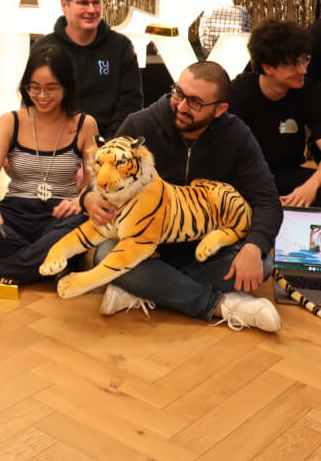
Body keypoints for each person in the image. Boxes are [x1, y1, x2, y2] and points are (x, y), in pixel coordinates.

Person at [84, 60, 283, 332]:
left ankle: (145, 288)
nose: (181, 106)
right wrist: (89, 197)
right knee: (105, 254)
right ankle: (219, 306)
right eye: (178, 93)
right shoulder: (140, 124)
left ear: (220, 109)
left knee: (263, 260)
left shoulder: (237, 136)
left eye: (195, 102)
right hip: (147, 246)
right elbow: (103, 179)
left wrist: (253, 247)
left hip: (207, 247)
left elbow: (267, 201)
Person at [0, 44, 97, 286]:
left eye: (51, 88)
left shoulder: (85, 124)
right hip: (15, 214)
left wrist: (79, 201)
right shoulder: (11, 121)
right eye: (34, 88)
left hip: (60, 215)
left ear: (67, 87)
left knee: (83, 222)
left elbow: (93, 186)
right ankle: (53, 261)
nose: (41, 96)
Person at [34, 0, 142, 138]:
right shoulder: (44, 48)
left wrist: (108, 148)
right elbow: (35, 103)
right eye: (83, 3)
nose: (91, 10)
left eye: (96, 2)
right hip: (56, 144)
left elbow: (130, 105)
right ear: (65, 5)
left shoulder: (121, 47)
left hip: (109, 148)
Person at [229, 20, 321, 208]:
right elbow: (230, 158)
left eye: (304, 60)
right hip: (246, 177)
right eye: (292, 65)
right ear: (268, 67)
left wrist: (311, 185)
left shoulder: (308, 91)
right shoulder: (238, 93)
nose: (303, 70)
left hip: (288, 173)